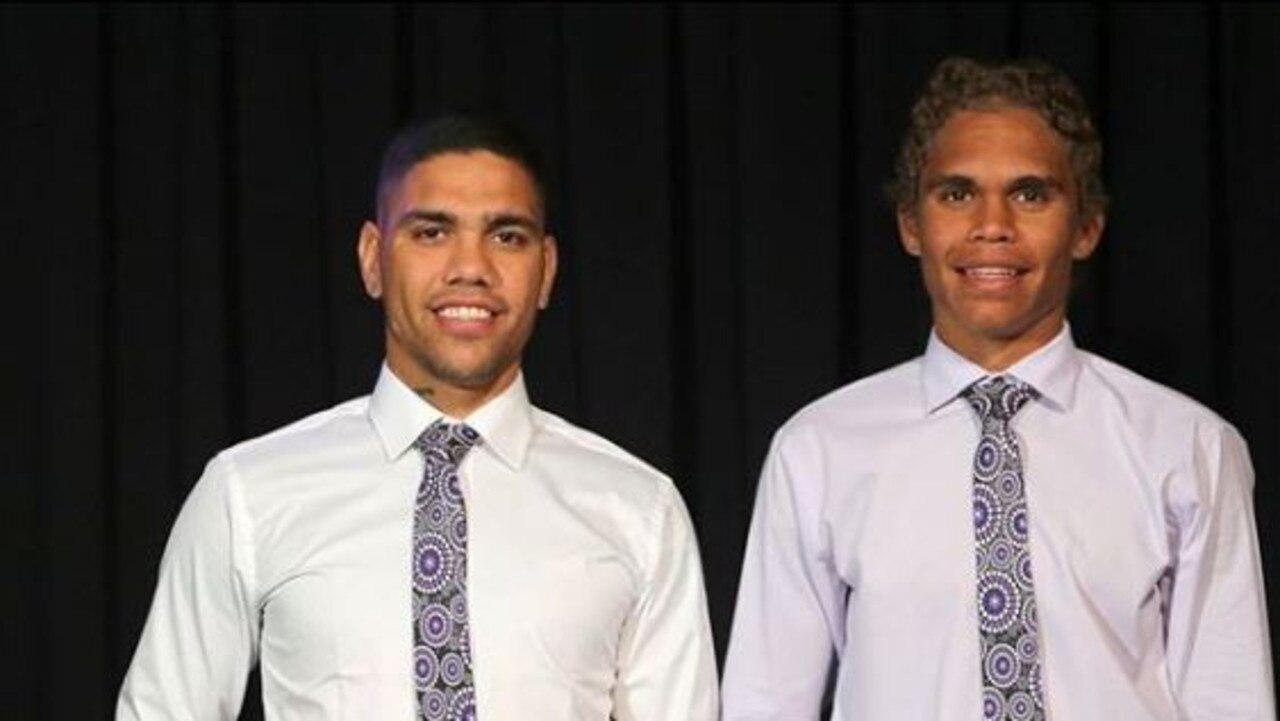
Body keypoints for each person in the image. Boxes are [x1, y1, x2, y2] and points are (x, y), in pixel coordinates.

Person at [720, 56, 1275, 720]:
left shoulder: (1188, 447)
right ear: (910, 224)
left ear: (1087, 227)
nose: (993, 225)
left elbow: (1230, 700)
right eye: (956, 193)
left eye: (1031, 193)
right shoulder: (817, 450)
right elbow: (765, 701)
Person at [118, 115, 718, 720]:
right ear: (373, 259)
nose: (470, 267)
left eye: (507, 236)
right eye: (432, 232)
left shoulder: (638, 510)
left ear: (547, 270)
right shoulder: (248, 492)